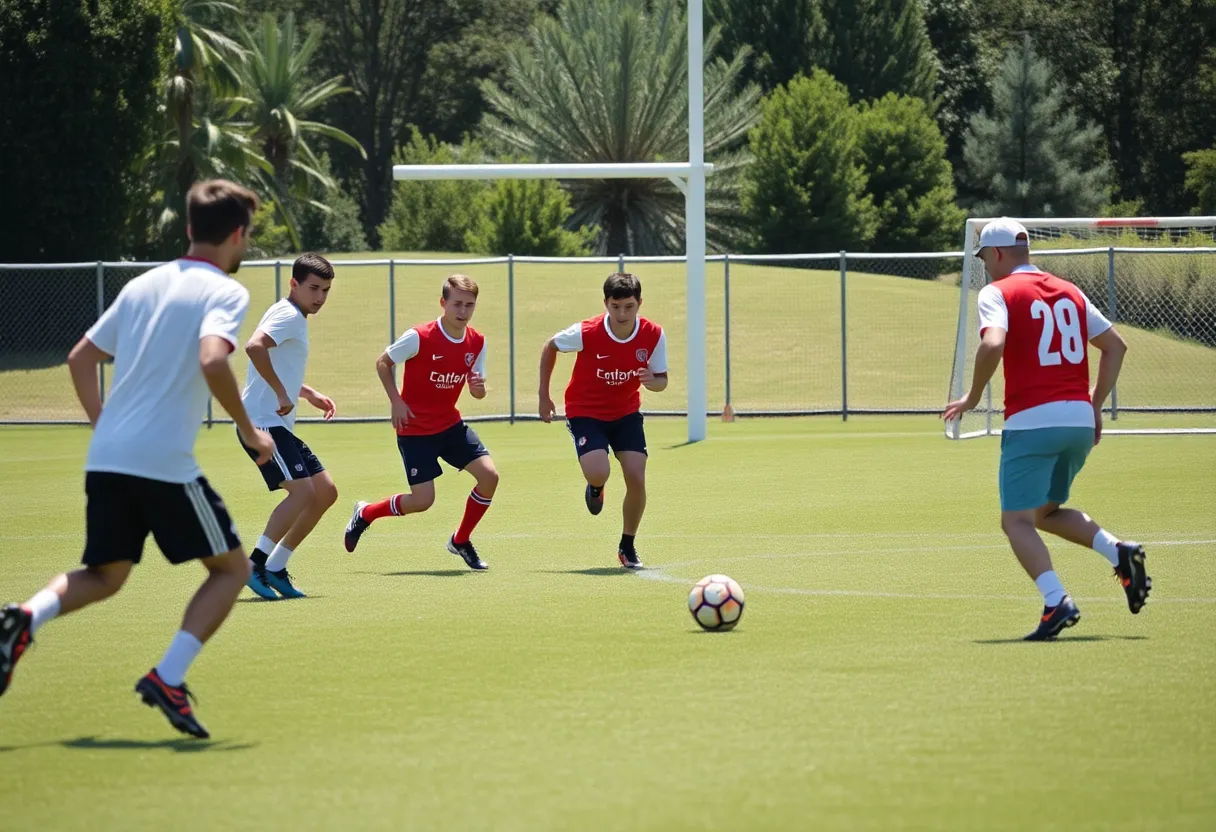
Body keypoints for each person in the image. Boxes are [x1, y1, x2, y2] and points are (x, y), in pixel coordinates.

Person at [0, 179, 274, 738]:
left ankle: (25, 617)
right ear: (237, 235)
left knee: (106, 574)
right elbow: (213, 360)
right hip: (161, 461)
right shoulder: (224, 292)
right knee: (232, 569)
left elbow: (80, 358)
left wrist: (105, 426)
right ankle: (168, 677)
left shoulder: (142, 284)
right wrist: (250, 432)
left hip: (108, 456)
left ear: (190, 228)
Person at [944, 218, 1151, 640]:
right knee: (1045, 513)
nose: (986, 267)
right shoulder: (1070, 290)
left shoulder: (997, 292)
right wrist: (1094, 405)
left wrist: (972, 396)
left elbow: (993, 343)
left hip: (1033, 420)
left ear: (997, 254)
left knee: (1016, 521)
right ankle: (1119, 551)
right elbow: (1116, 346)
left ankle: (1056, 601)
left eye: (985, 259)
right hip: (1078, 422)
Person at [343, 274, 498, 570]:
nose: (463, 311)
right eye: (457, 304)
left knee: (489, 476)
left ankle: (461, 540)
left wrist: (478, 389)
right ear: (443, 303)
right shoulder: (420, 336)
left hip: (450, 426)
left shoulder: (477, 342)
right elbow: (383, 362)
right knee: (423, 500)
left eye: (469, 305)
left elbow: (477, 391)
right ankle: (365, 514)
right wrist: (396, 401)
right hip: (415, 431)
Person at [538, 273, 668, 569]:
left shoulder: (654, 334)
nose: (622, 314)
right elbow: (551, 346)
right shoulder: (586, 332)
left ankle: (627, 545)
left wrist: (653, 382)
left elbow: (662, 381)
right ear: (606, 303)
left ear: (640, 303)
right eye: (615, 306)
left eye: (629, 306)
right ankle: (596, 487)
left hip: (626, 413)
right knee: (598, 472)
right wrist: (544, 396)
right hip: (585, 411)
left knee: (636, 477)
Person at [238, 253, 339, 600]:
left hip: (275, 423)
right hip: (261, 423)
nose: (320, 297)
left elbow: (276, 360)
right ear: (294, 284)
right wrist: (282, 392)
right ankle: (254, 564)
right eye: (314, 288)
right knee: (303, 492)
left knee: (325, 492)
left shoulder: (290, 313)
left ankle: (276, 566)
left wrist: (306, 393)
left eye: (325, 290)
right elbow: (254, 347)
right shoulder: (289, 315)